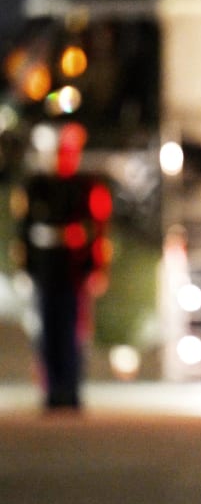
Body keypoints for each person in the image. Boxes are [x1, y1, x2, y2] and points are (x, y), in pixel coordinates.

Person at [11, 121, 112, 410]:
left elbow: (98, 231)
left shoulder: (85, 187)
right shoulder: (35, 187)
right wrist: (24, 267)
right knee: (46, 331)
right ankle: (52, 390)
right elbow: (24, 231)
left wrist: (97, 267)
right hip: (45, 268)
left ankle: (71, 389)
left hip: (74, 269)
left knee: (73, 331)